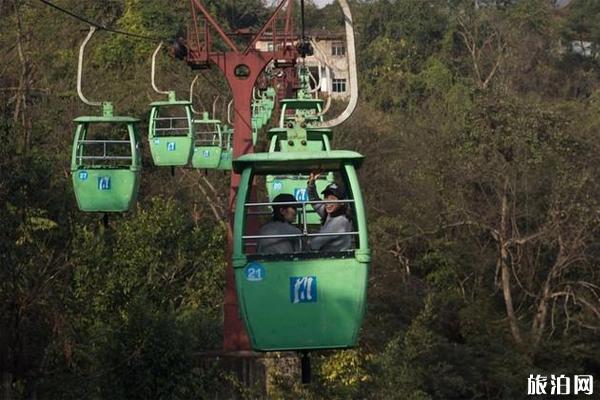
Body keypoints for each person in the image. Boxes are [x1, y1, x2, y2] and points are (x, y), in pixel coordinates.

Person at [307, 173, 353, 252]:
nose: (328, 202)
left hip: (334, 260)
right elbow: (314, 201)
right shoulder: (330, 213)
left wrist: (304, 244)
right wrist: (311, 183)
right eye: (326, 197)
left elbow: (315, 243)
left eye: (332, 198)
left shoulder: (340, 221)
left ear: (342, 202)